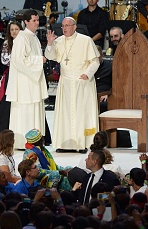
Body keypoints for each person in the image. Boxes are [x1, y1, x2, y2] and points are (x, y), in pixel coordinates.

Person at [45, 17, 100, 151]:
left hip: (82, 82)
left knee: (82, 114)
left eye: (67, 25)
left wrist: (87, 73)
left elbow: (95, 61)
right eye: (63, 26)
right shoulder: (58, 41)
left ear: (74, 27)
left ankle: (84, 143)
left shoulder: (85, 40)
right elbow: (50, 56)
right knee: (65, 114)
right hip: (66, 82)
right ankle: (65, 143)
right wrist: (50, 43)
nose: (64, 28)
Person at [7, 10, 48, 149]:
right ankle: (22, 141)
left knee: (34, 110)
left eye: (37, 20)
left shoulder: (33, 37)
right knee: (25, 111)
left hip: (32, 81)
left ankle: (35, 141)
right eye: (34, 20)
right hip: (24, 83)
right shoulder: (21, 37)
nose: (37, 23)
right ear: (26, 22)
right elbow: (19, 61)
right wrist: (39, 60)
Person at [0, 21, 22, 139]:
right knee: (3, 107)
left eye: (16, 29)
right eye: (12, 30)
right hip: (11, 74)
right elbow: (5, 60)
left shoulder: (24, 42)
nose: (14, 32)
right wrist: (18, 60)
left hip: (22, 75)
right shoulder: (6, 43)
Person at [95, 45, 112, 113]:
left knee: (103, 105)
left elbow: (116, 84)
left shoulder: (109, 67)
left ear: (102, 55)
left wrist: (108, 94)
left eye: (97, 57)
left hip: (105, 94)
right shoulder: (87, 67)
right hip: (91, 94)